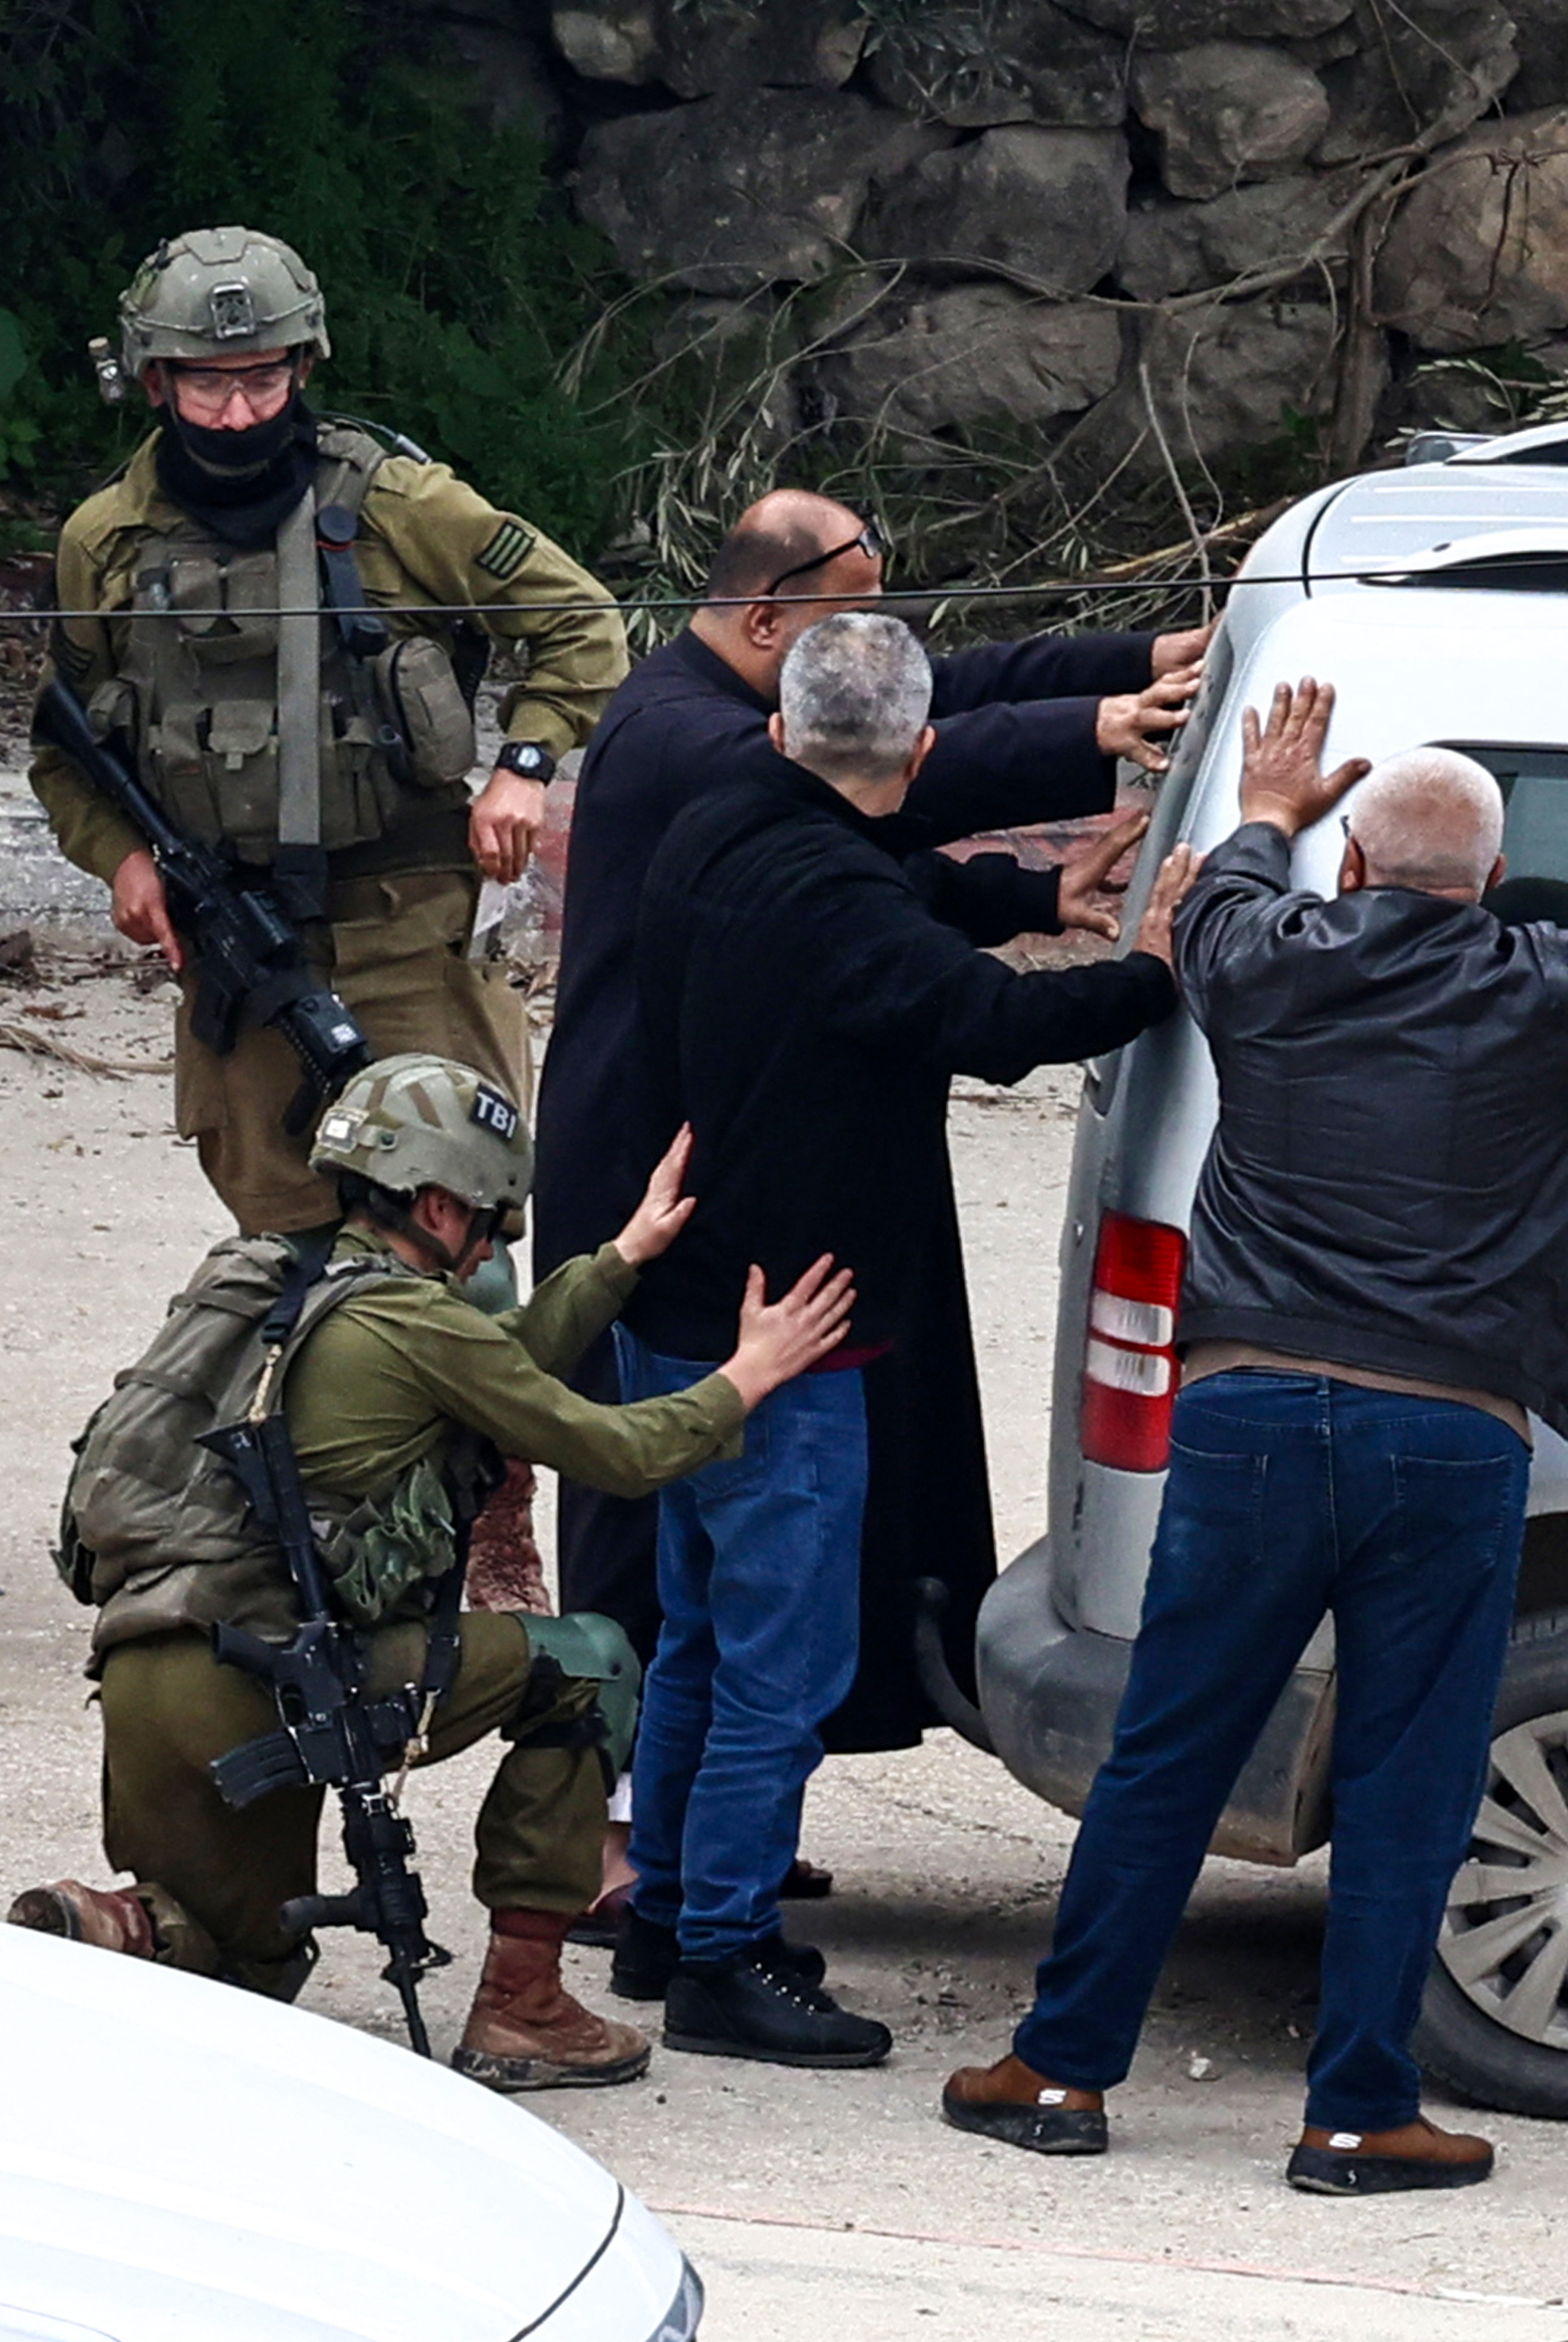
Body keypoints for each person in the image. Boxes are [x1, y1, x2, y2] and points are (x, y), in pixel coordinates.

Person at [942, 682, 1568, 2187]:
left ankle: (1060, 2075)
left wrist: (1274, 799)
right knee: (1413, 1775)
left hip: (1252, 1417)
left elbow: (1220, 891)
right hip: (1449, 1437)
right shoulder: (1555, 986)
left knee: (1167, 1750)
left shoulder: (1259, 956)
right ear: (1490, 881)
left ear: (1354, 869)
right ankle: (1355, 2110)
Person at [537, 488, 1210, 1816]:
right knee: (656, 1520)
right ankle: (605, 1830)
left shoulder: (771, 743)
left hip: (737, 1144)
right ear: (772, 621)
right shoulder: (690, 743)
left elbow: (924, 702)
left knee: (728, 1559)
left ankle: (690, 1839)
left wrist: (1135, 666)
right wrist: (1095, 787)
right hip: (651, 1165)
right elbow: (899, 782)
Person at [11, 1055, 854, 2089]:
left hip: (151, 1679)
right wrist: (747, 1376)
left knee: (252, 1968)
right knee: (588, 1663)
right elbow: (619, 1450)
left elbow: (495, 1361)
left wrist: (619, 1258)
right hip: (264, 1690)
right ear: (443, 1201)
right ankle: (522, 2006)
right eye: (491, 1223)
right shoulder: (415, 1320)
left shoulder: (290, 1280)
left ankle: (110, 1921)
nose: (489, 1246)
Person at [619, 613, 1201, 2065]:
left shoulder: (717, 818)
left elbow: (892, 884)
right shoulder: (838, 903)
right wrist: (1160, 964)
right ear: (925, 749)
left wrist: (1019, 888)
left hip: (679, 1305)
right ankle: (725, 1955)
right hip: (787, 1335)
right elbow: (992, 1021)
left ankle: (670, 1909)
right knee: (781, 1665)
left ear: (778, 729)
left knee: (697, 1637)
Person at [29, 224, 632, 1611]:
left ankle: (492, 1534)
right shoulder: (106, 542)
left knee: (457, 1252)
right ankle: (327, 1531)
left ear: (303, 365)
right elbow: (63, 745)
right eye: (205, 383)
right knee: (293, 1258)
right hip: (240, 950)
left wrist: (526, 765)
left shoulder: (399, 504)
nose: (238, 411)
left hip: (409, 925)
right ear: (150, 379)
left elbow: (581, 621)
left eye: (261, 378)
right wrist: (119, 857)